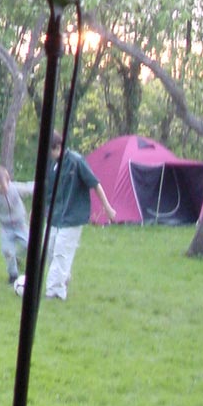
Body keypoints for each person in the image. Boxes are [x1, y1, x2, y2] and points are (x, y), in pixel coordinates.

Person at [44, 129, 116, 300]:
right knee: (50, 249)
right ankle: (63, 278)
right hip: (55, 216)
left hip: (73, 216)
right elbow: (49, 192)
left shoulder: (76, 162)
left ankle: (54, 292)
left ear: (58, 147)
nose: (49, 155)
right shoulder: (52, 165)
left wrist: (107, 207)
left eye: (50, 151)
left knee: (61, 252)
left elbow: (95, 184)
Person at [0, 165, 33, 283]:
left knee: (28, 245)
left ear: (8, 181)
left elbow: (29, 187)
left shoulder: (15, 188)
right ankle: (13, 275)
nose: (2, 190)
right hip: (6, 227)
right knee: (7, 252)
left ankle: (18, 257)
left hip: (20, 224)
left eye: (3, 187)